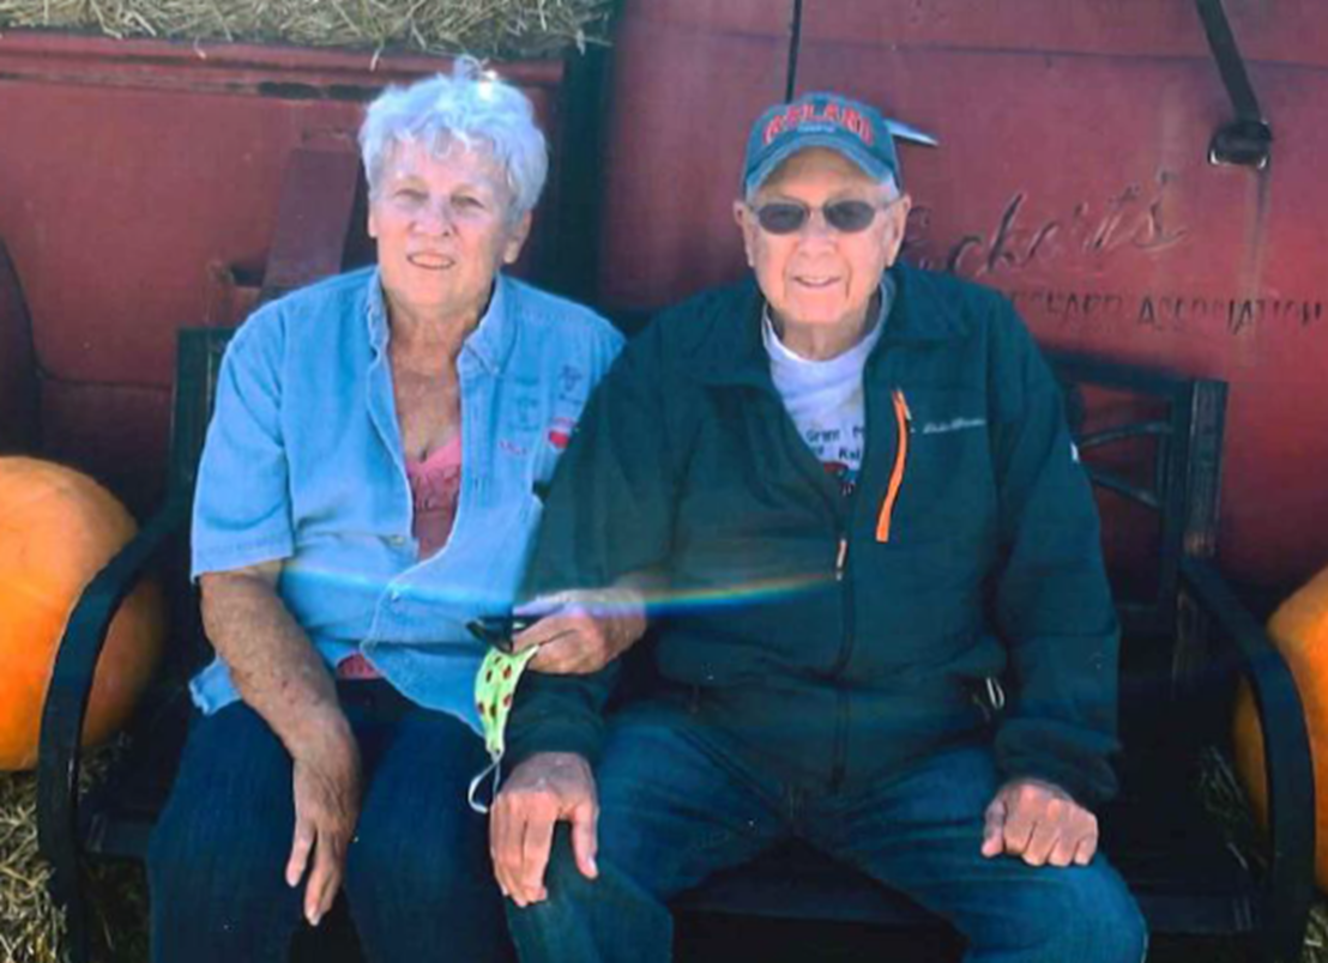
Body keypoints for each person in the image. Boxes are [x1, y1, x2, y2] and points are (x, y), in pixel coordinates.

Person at [489, 91, 1149, 963]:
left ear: (896, 224)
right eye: (784, 213)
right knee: (556, 872)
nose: (814, 242)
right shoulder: (679, 359)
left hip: (924, 745)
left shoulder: (977, 343)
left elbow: (1058, 577)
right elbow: (580, 570)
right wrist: (552, 746)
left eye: (847, 211)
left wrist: (1051, 768)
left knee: (1088, 929)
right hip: (714, 734)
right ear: (745, 228)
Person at [146, 60, 624, 963]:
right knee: (211, 848)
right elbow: (235, 582)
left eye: (469, 203)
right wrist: (322, 742)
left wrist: (616, 613)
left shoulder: (583, 357)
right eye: (408, 193)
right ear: (371, 212)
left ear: (516, 230)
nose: (432, 225)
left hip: (466, 693)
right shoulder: (279, 347)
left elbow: (628, 554)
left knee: (419, 860)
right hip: (292, 671)